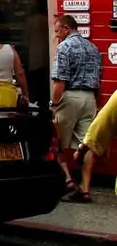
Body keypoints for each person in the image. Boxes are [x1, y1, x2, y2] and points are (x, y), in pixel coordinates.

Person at [51, 14, 102, 203]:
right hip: (89, 98)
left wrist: (54, 105)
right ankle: (86, 189)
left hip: (70, 97)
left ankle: (68, 179)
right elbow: (99, 78)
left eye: (57, 31)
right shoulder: (93, 47)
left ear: (66, 28)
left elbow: (60, 81)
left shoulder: (64, 47)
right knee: (85, 144)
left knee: (57, 141)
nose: (57, 36)